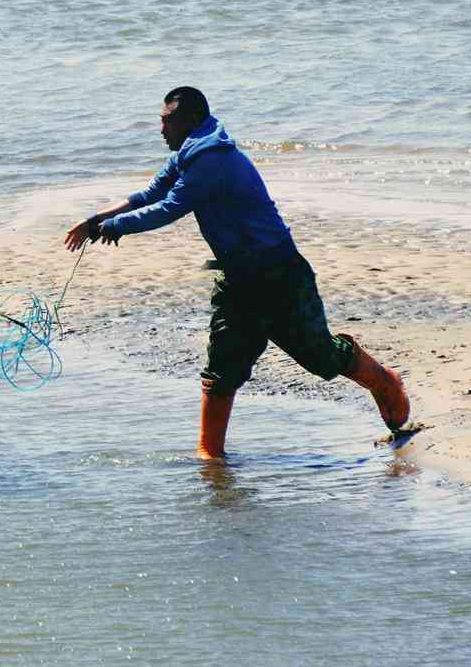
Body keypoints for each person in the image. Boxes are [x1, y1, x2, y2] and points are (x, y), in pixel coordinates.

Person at [64, 87, 409, 461]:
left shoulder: (212, 159)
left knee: (320, 356)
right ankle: (210, 458)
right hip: (237, 278)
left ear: (191, 120)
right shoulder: (189, 154)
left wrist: (114, 227)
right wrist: (96, 219)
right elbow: (151, 193)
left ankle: (385, 381)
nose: (161, 129)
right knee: (222, 369)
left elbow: (169, 208)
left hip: (279, 275)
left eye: (167, 122)